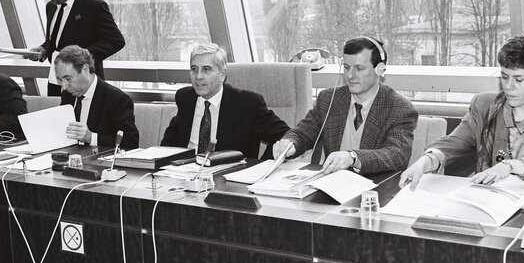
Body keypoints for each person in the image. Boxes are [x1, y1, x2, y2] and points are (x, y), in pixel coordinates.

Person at [400, 34, 524, 190]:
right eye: (504, 77)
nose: (508, 86)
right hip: (493, 198)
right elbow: (455, 142)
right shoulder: (485, 105)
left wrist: (510, 166)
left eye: (519, 79)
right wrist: (427, 160)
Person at [273, 37, 418, 176]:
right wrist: (289, 143)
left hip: (376, 189)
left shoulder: (400, 108)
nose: (350, 75)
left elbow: (397, 155)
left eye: (359, 68)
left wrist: (352, 158)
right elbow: (303, 133)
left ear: (379, 69)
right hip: (331, 187)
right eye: (347, 67)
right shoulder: (329, 99)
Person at [161, 43, 289, 159]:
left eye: (206, 69)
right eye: (194, 69)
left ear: (222, 74)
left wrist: (261, 166)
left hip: (227, 178)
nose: (198, 76)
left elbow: (284, 135)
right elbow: (167, 146)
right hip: (185, 175)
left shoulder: (247, 104)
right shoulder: (185, 98)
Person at [28, 0, 125, 96]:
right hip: (56, 82)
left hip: (84, 83)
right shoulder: (50, 7)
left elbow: (116, 41)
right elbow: (56, 40)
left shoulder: (93, 6)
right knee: (57, 115)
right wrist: (44, 48)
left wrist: (81, 57)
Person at [55, 45, 138, 149]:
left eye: (68, 78)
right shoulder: (68, 95)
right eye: (60, 80)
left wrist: (91, 138)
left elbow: (131, 142)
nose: (64, 86)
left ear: (85, 69)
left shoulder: (116, 99)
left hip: (99, 162)